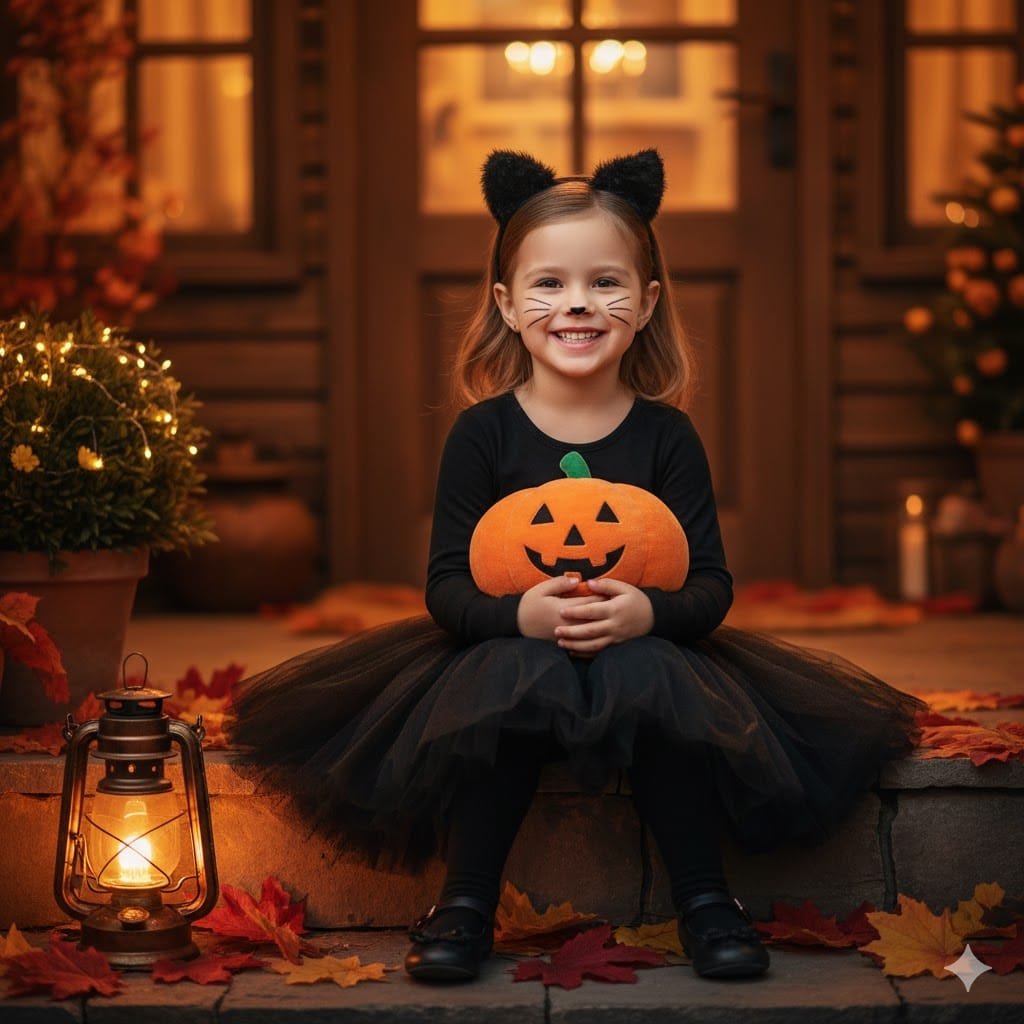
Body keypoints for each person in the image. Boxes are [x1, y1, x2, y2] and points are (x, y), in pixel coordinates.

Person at [229, 149, 925, 984]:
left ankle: (707, 900)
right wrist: (518, 616)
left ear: (648, 301)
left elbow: (712, 588)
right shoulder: (483, 435)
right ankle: (465, 902)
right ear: (506, 303)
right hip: (510, 649)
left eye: (605, 282)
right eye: (550, 283)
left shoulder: (667, 437)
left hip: (643, 651)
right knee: (501, 683)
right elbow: (446, 588)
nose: (578, 303)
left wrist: (647, 613)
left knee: (661, 684)